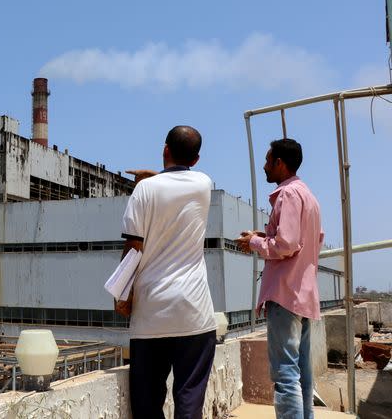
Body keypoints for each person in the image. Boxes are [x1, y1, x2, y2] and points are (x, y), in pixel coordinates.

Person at [122, 125, 217, 419]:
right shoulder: (204, 184)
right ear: (197, 159)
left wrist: (122, 295)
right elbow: (178, 183)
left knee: (148, 404)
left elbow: (133, 249)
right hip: (195, 314)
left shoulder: (143, 191)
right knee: (189, 400)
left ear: (165, 149)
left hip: (152, 314)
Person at [236, 138, 323, 419]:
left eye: (267, 160)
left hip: (285, 294)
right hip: (304, 294)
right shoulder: (309, 196)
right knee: (302, 374)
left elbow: (286, 245)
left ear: (279, 163)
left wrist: (254, 243)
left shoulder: (287, 195)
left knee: (285, 376)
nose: (264, 166)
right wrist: (262, 238)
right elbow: (304, 242)